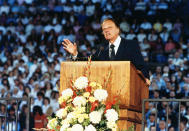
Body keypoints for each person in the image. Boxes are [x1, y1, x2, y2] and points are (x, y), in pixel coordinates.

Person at [62, 18, 150, 83]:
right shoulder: (102, 49)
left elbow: (141, 65)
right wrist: (75, 54)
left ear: (118, 29)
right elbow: (88, 62)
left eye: (110, 28)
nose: (106, 31)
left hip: (127, 87)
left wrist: (145, 77)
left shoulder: (130, 45)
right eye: (104, 29)